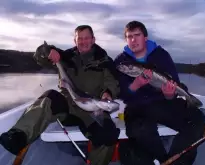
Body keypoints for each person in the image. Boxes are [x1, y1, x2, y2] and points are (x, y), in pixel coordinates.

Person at [0, 25, 120, 165]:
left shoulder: (105, 61)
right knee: (49, 97)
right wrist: (47, 51)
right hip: (68, 105)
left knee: (108, 136)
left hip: (93, 110)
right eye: (79, 38)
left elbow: (113, 82)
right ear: (74, 41)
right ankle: (18, 137)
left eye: (86, 38)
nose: (83, 41)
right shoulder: (65, 57)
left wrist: (108, 93)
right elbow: (39, 57)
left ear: (93, 39)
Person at [114, 21, 205, 165]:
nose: (133, 40)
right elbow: (120, 94)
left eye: (137, 35)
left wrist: (169, 94)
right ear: (126, 40)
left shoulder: (161, 55)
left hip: (162, 103)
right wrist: (135, 85)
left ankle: (175, 161)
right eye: (129, 36)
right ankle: (165, 160)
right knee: (139, 131)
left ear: (145, 37)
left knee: (197, 119)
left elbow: (174, 82)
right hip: (136, 107)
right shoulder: (121, 61)